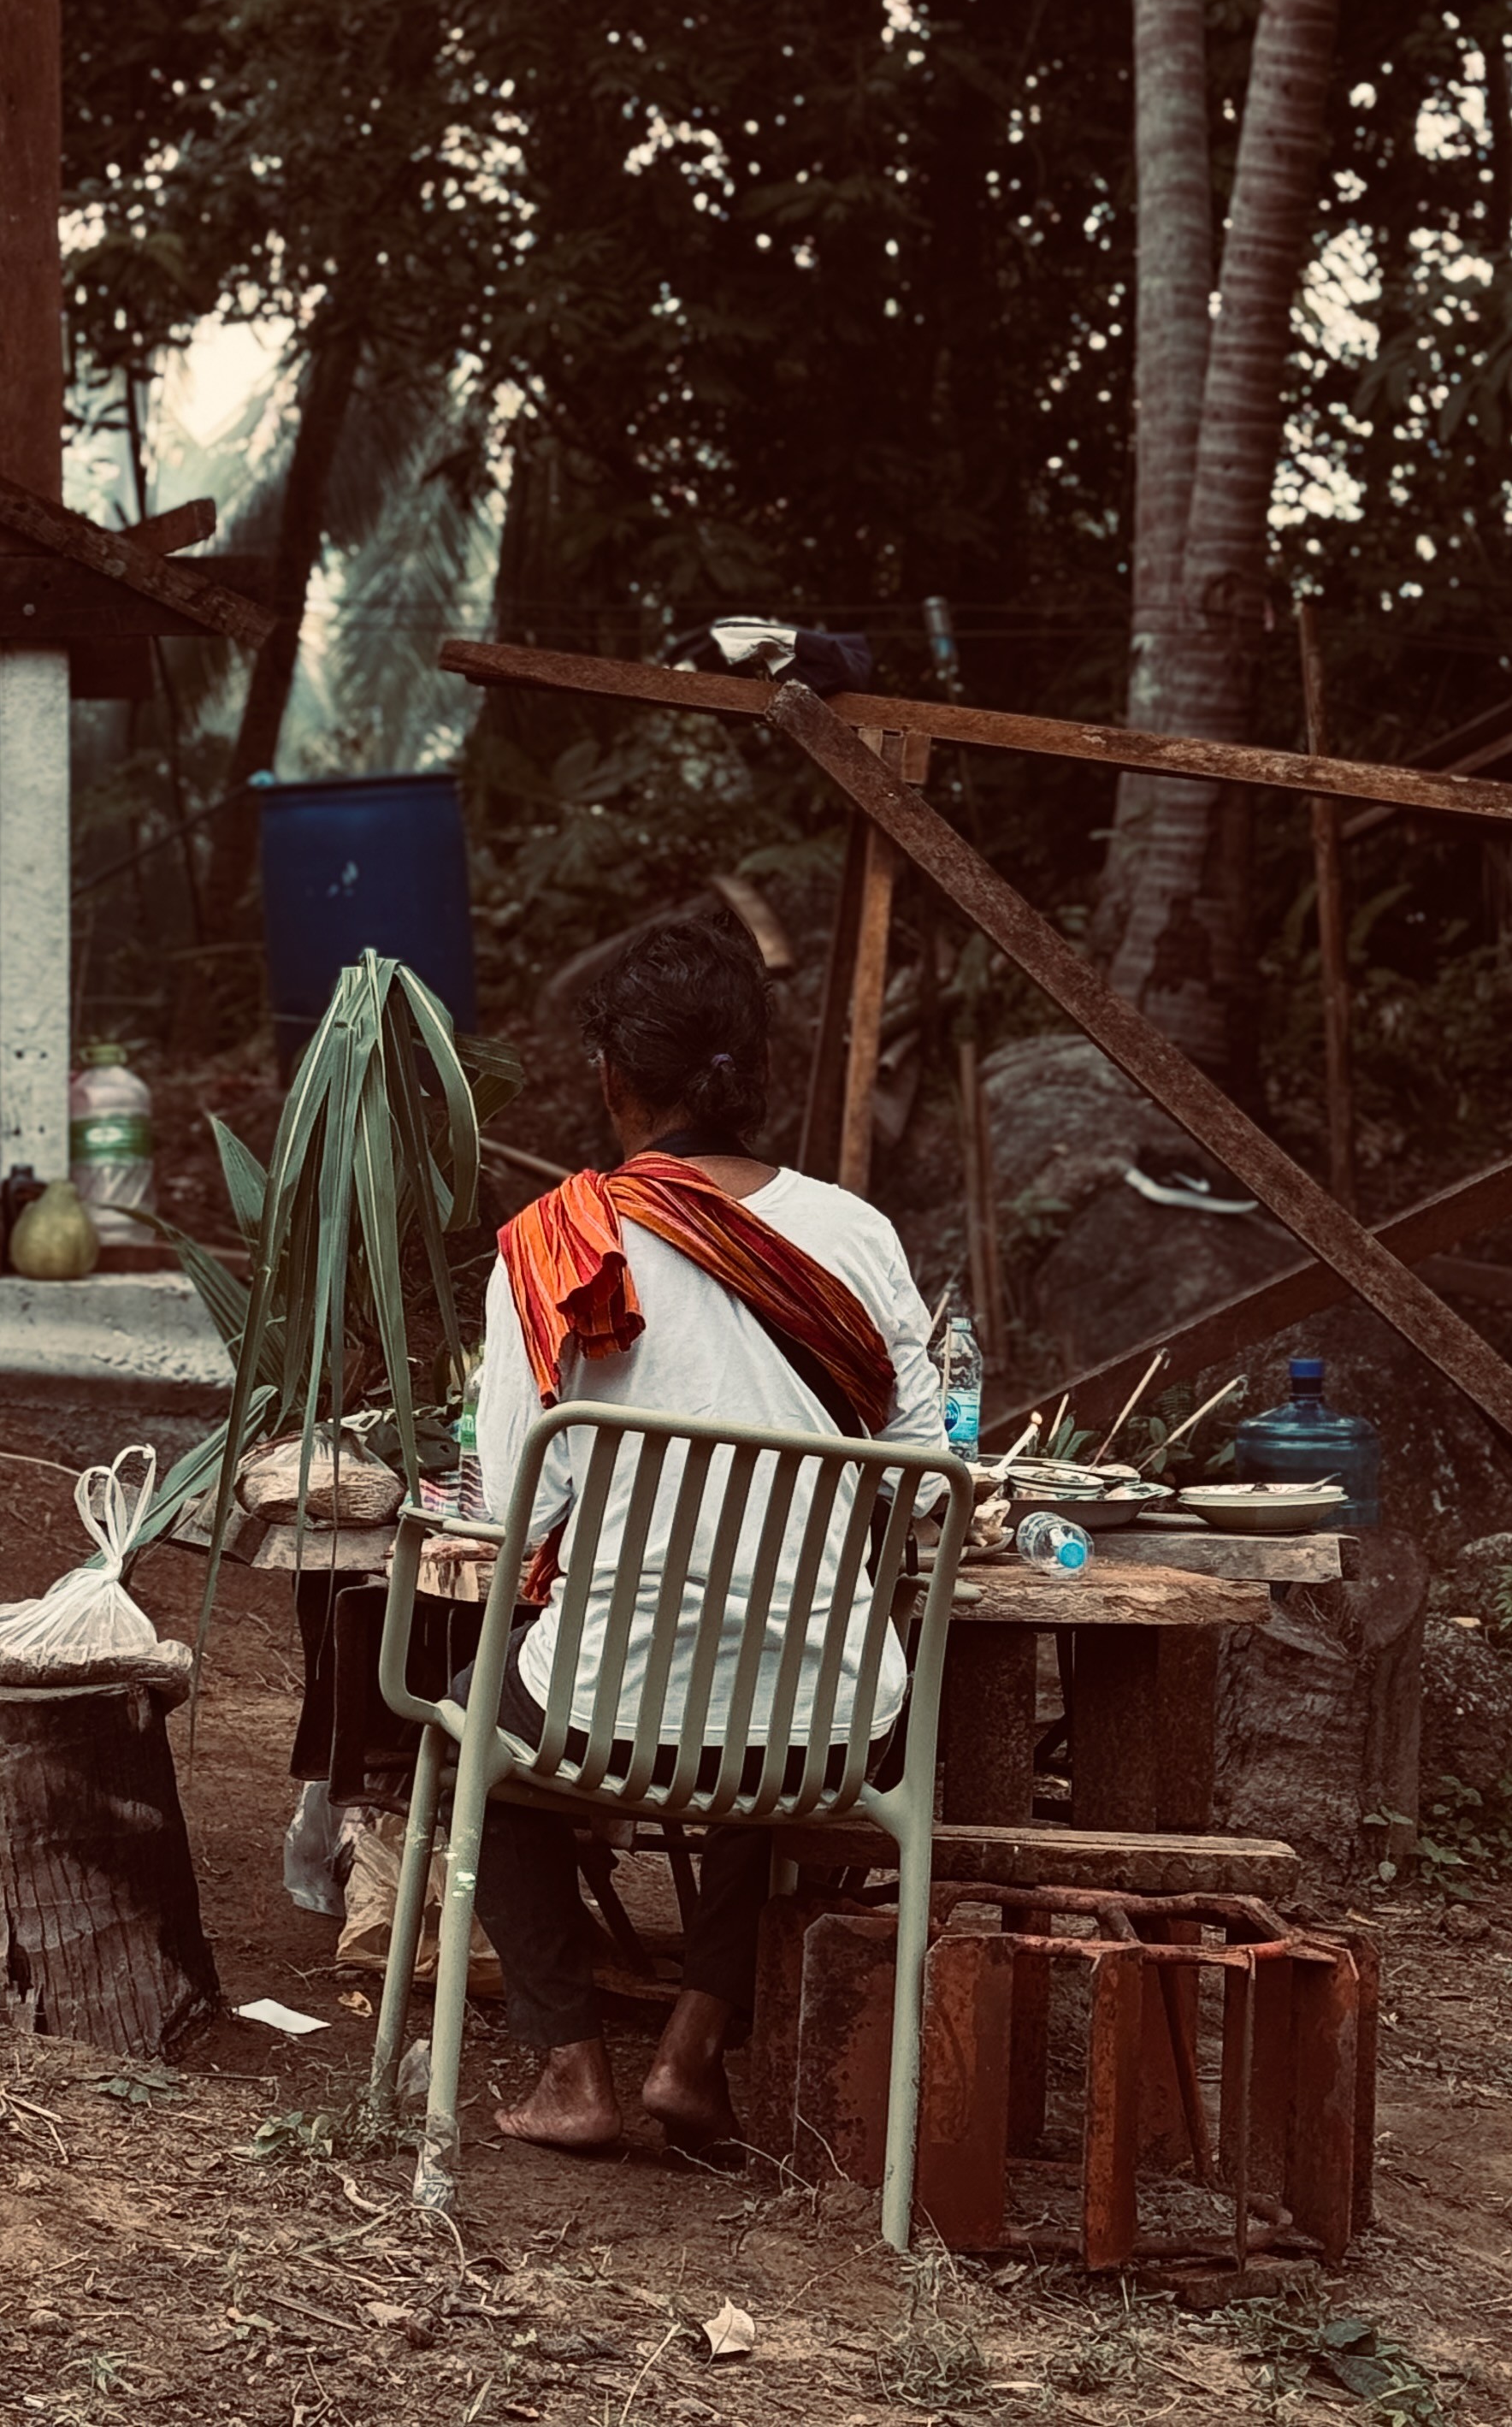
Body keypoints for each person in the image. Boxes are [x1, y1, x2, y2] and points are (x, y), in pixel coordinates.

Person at [470, 909, 942, 2158]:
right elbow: (928, 1474)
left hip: (598, 1706)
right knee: (771, 1743)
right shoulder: (860, 1235)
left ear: (609, 1079)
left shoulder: (558, 1245)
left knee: (480, 1748)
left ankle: (572, 2069)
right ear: (756, 1074)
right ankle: (690, 2050)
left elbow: (515, 1505)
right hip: (832, 1723)